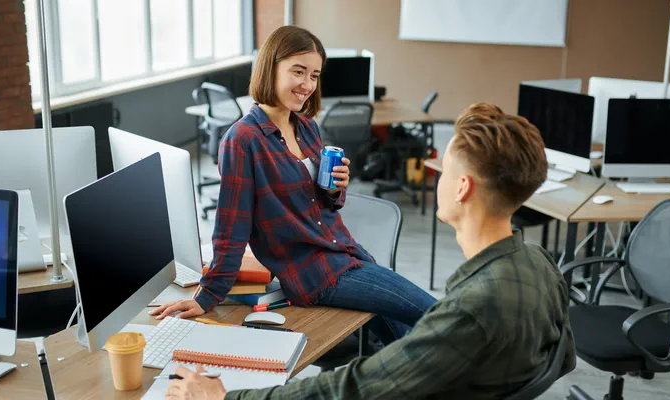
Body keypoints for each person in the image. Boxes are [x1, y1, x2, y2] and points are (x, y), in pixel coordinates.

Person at [163, 103, 577, 399]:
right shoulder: (541, 264)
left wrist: (224, 397)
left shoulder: (468, 312)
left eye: (443, 170)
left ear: (462, 187)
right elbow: (565, 358)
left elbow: (355, 388)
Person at [151, 25, 436, 345]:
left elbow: (321, 205)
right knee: (436, 314)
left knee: (408, 340)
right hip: (316, 274)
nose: (307, 85)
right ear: (270, 68)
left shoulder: (307, 127)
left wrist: (334, 189)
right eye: (298, 72)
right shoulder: (243, 140)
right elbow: (232, 227)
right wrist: (207, 295)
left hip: (347, 253)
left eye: (314, 75)